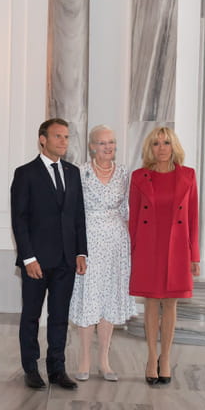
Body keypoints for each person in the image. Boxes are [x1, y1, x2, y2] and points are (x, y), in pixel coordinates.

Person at [10, 118, 88, 391]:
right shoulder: (25, 173)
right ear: (42, 139)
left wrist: (81, 252)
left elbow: (78, 216)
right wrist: (28, 258)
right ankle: (31, 368)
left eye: (66, 137)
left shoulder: (72, 172)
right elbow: (19, 220)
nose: (64, 141)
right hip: (37, 261)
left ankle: (57, 369)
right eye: (58, 136)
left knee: (59, 316)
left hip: (67, 260)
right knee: (31, 316)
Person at [128, 126, 200, 386]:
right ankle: (151, 358)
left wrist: (195, 256)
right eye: (156, 143)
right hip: (149, 247)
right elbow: (133, 218)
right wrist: (132, 253)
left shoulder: (188, 175)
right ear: (150, 148)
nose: (161, 148)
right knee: (150, 302)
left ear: (174, 146)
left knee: (170, 303)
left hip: (177, 247)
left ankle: (166, 358)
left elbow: (193, 218)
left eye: (166, 142)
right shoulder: (139, 177)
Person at [69, 125, 137, 381]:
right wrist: (76, 248)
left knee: (109, 298)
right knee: (89, 297)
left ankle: (104, 361)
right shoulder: (81, 172)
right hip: (88, 242)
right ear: (92, 146)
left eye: (111, 142)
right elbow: (73, 211)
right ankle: (84, 360)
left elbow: (128, 210)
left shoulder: (124, 173)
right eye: (102, 143)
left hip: (117, 244)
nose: (108, 147)